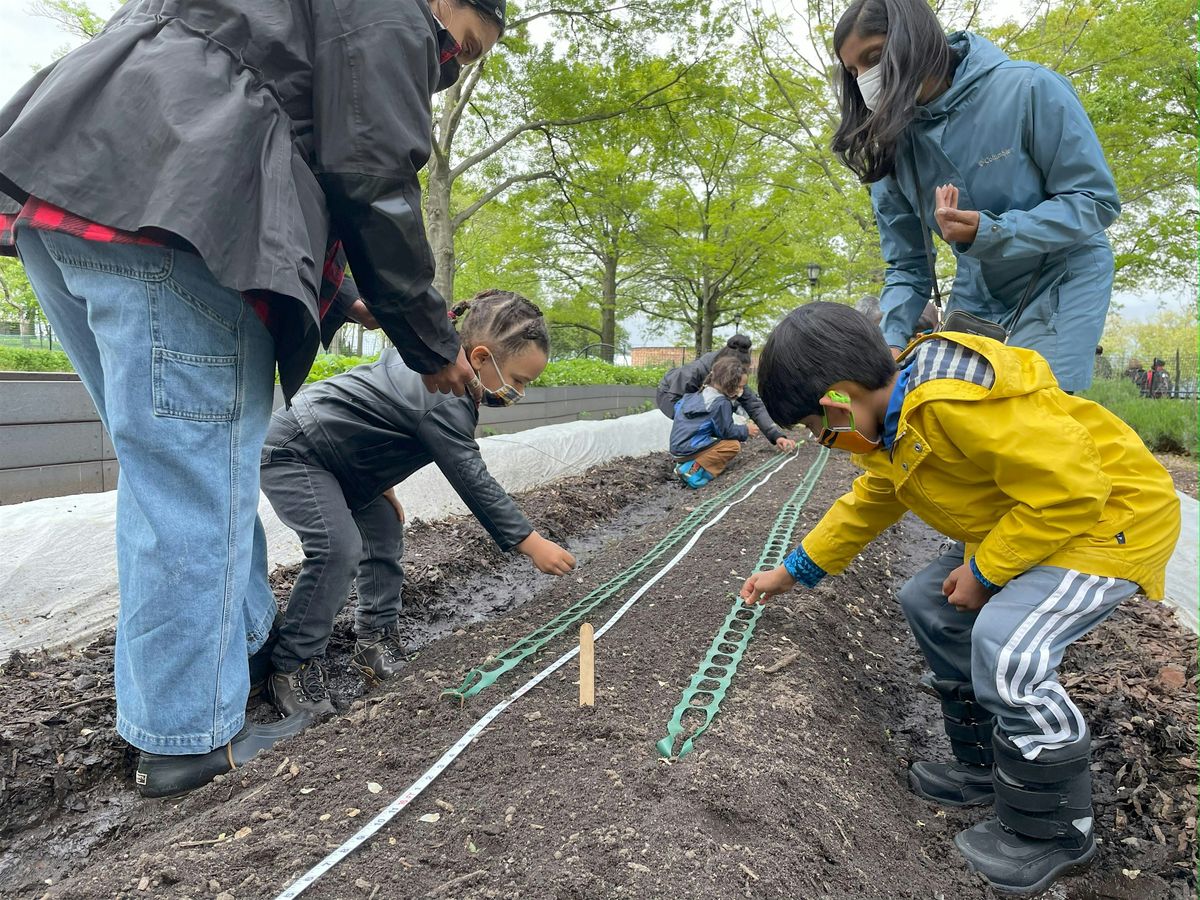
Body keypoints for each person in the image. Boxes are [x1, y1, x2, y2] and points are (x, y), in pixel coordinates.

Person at [0, 0, 505, 798]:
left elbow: (277, 109)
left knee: (173, 476)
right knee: (194, 490)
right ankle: (189, 738)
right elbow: (369, 170)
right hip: (186, 227)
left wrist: (349, 301)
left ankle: (231, 662)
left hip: (77, 196)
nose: (453, 67)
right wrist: (430, 343)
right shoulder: (391, 11)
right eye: (463, 47)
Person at [740, 303, 1180, 895]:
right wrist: (792, 572)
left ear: (840, 399)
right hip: (1035, 521)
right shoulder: (896, 426)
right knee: (927, 600)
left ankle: (1054, 831)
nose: (824, 445)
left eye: (819, 432)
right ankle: (984, 765)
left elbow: (1073, 492)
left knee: (1006, 647)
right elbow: (870, 502)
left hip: (1107, 524)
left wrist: (987, 570)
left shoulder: (952, 404)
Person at [260, 290, 576, 716]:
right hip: (297, 450)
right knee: (338, 548)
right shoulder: (443, 392)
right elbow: (472, 478)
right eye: (519, 380)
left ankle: (375, 638)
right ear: (481, 358)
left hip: (342, 461)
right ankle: (292, 663)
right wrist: (530, 542)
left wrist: (379, 479)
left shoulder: (429, 364)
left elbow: (377, 413)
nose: (519, 391)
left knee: (384, 532)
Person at [832, 0, 1120, 392]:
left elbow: (1094, 199)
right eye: (854, 71)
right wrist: (890, 344)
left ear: (914, 39)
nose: (866, 77)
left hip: (1062, 275)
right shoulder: (890, 144)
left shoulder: (1029, 88)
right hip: (976, 291)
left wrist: (992, 230)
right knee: (956, 412)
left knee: (1030, 411)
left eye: (875, 57)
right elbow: (907, 265)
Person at [656, 335, 796, 453]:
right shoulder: (695, 372)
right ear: (727, 372)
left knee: (716, 417)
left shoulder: (733, 379)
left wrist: (776, 435)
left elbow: (753, 405)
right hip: (670, 395)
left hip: (696, 404)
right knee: (704, 421)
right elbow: (679, 405)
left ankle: (695, 451)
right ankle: (691, 456)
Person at [669, 358, 756, 489]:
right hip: (689, 449)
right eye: (739, 386)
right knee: (732, 445)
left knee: (716, 441)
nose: (741, 390)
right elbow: (726, 432)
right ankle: (692, 471)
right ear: (729, 383)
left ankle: (684, 464)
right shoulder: (720, 402)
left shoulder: (695, 396)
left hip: (677, 448)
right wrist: (746, 430)